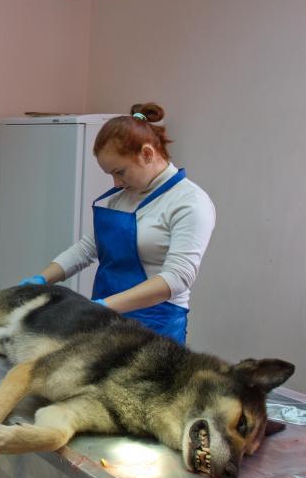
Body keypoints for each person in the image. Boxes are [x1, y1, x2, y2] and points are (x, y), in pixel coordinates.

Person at [20, 103, 215, 344]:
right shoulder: (120, 199)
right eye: (110, 174)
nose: (116, 183)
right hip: (104, 321)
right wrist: (42, 279)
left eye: (120, 172)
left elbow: (176, 278)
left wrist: (103, 306)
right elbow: (87, 248)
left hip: (155, 327)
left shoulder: (189, 202)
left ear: (147, 154)